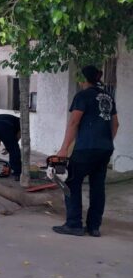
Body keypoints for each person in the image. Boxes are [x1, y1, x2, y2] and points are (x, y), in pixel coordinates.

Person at [52, 65, 118, 237]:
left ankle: (74, 224)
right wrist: (105, 141)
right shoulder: (109, 97)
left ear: (84, 79)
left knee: (71, 183)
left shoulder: (82, 96)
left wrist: (64, 148)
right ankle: (94, 227)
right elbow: (115, 124)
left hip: (85, 148)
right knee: (98, 187)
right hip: (105, 149)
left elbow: (74, 122)